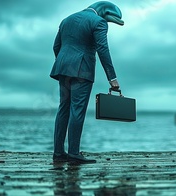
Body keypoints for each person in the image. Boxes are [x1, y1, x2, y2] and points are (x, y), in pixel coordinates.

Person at [49, 1, 124, 164]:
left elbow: (56, 47)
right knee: (77, 110)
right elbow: (103, 49)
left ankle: (58, 152)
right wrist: (112, 78)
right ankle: (74, 153)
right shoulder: (99, 22)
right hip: (82, 70)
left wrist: (65, 63)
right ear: (105, 12)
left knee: (63, 108)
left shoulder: (66, 19)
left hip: (63, 69)